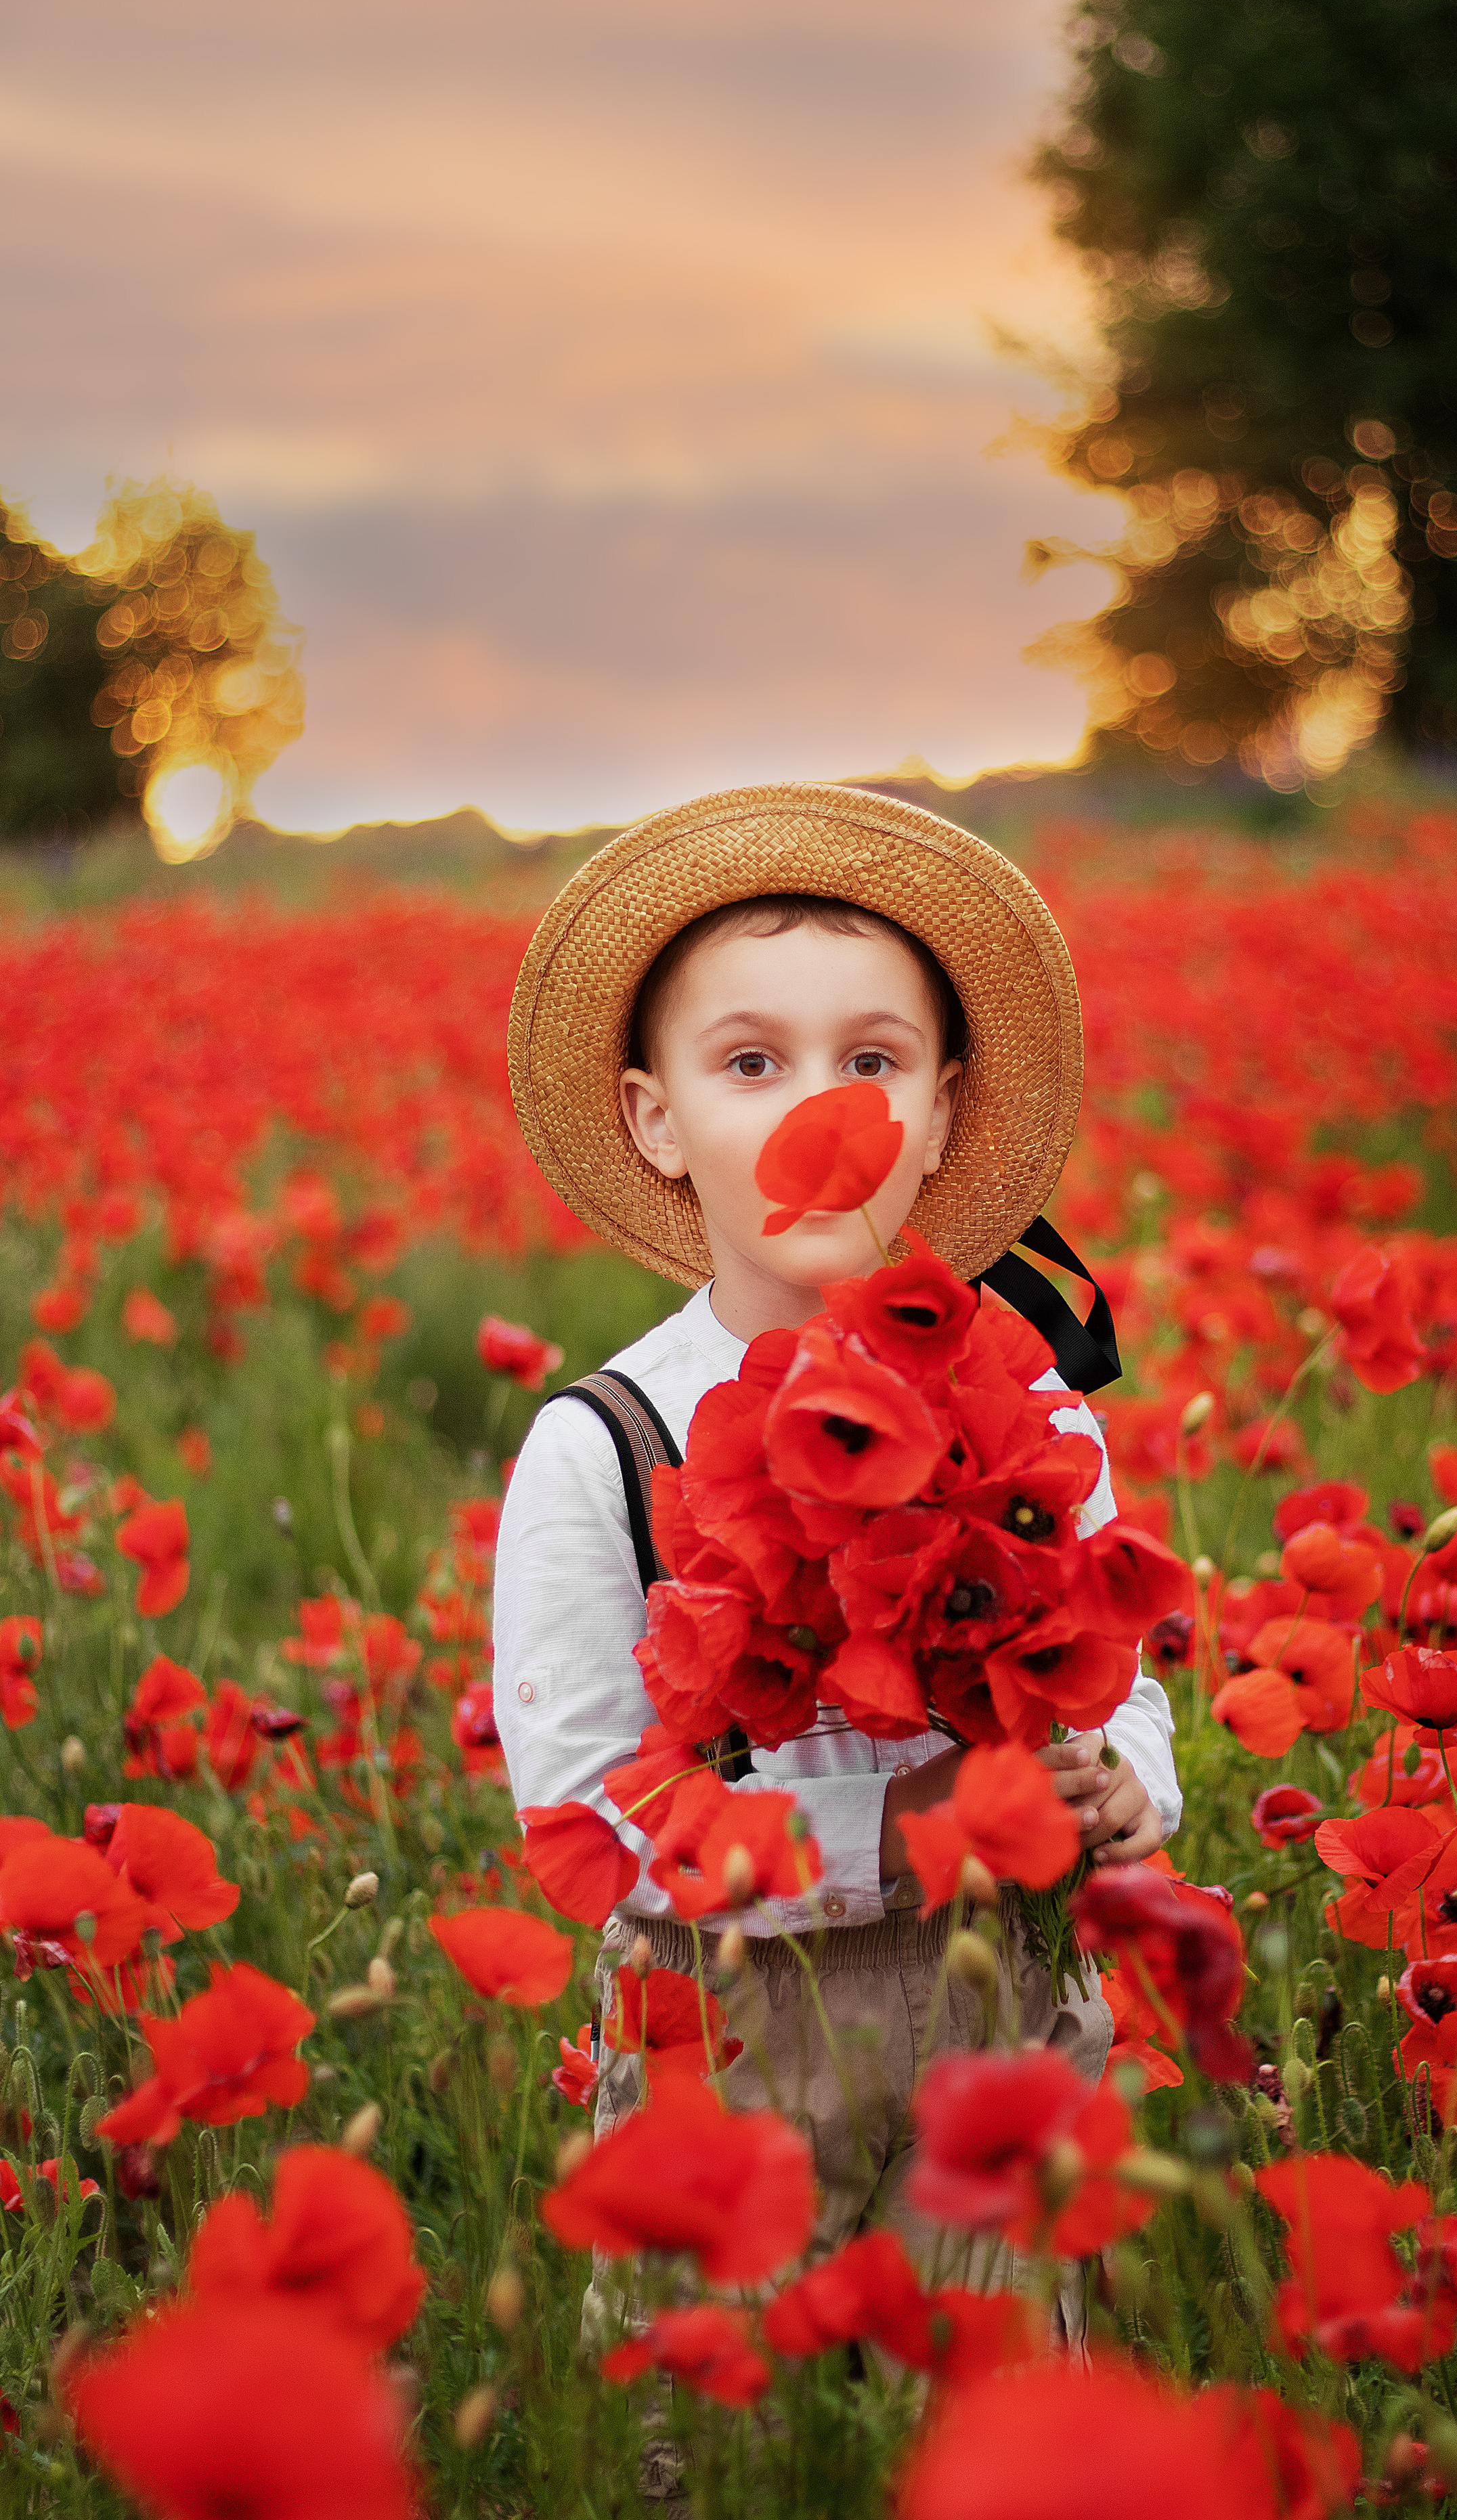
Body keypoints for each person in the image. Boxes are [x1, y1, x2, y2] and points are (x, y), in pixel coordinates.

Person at [496, 782, 1181, 2260]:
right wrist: (895, 1822)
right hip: (730, 2035)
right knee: (732, 2445)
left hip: (1000, 1998)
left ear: (940, 1115)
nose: (828, 1111)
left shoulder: (1034, 1405)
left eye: (872, 1060)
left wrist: (1126, 1781)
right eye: (752, 1061)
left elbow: (1113, 1666)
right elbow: (590, 1808)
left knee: (995, 2432)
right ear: (655, 1121)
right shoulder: (605, 1446)